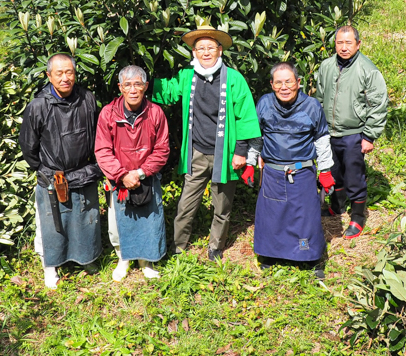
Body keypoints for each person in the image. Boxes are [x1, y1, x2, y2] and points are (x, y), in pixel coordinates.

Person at [152, 25, 262, 261]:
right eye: (200, 48)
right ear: (193, 52)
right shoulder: (186, 76)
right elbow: (166, 92)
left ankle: (215, 246)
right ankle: (179, 246)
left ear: (219, 50)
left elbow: (245, 117)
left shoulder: (234, 78)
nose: (205, 52)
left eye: (210, 47)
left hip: (226, 154)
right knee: (186, 205)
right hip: (196, 153)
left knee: (222, 206)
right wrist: (141, 77)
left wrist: (241, 152)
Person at [19, 53, 102, 289]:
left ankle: (86, 258)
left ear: (75, 74)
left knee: (85, 217)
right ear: (49, 75)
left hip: (83, 171)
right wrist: (44, 170)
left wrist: (93, 166)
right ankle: (50, 267)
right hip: (54, 176)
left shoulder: (87, 98)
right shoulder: (38, 105)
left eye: (70, 72)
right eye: (59, 73)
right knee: (53, 223)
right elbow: (28, 146)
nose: (65, 78)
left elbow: (96, 133)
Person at [247, 62, 333, 278]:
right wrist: (250, 162)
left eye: (288, 82)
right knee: (271, 215)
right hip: (273, 173)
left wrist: (325, 171)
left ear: (298, 83)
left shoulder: (312, 106)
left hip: (302, 172)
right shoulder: (265, 103)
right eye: (278, 83)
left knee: (306, 216)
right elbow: (257, 137)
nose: (284, 87)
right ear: (271, 84)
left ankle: (312, 257)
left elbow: (321, 139)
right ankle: (269, 254)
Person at [95, 65, 170, 282]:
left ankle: (146, 260)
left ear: (146, 86)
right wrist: (121, 175)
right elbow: (102, 150)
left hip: (147, 175)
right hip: (119, 180)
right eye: (127, 85)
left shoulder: (155, 113)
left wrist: (141, 172)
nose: (133, 89)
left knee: (150, 221)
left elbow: (162, 149)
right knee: (118, 225)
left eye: (138, 84)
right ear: (120, 87)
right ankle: (123, 259)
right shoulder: (108, 113)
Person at [314, 25, 389, 239]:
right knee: (333, 170)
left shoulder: (368, 69)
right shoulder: (327, 66)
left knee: (354, 176)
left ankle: (358, 216)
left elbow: (378, 104)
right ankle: (336, 206)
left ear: (358, 44)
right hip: (329, 131)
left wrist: (369, 135)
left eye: (348, 43)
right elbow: (319, 97)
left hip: (354, 132)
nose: (344, 47)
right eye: (340, 43)